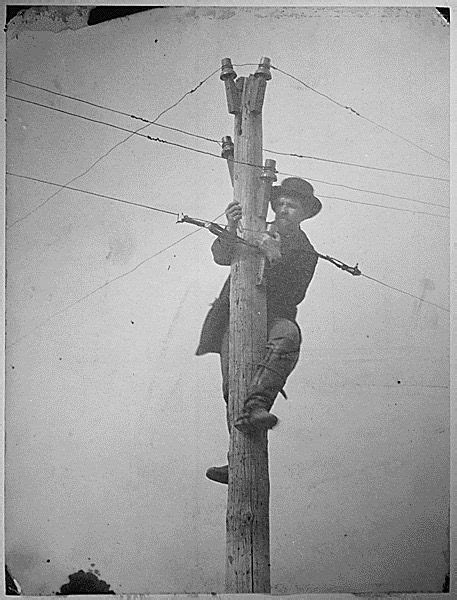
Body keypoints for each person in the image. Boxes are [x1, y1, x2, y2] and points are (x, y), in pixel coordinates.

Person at [196, 177, 321, 484]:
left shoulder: (305, 252)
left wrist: (276, 256)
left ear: (304, 213)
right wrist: (230, 226)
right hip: (235, 317)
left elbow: (295, 294)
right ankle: (236, 458)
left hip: (273, 317)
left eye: (292, 206)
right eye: (279, 204)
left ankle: (257, 406)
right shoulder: (254, 227)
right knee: (233, 386)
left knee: (288, 337)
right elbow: (220, 255)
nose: (283, 209)